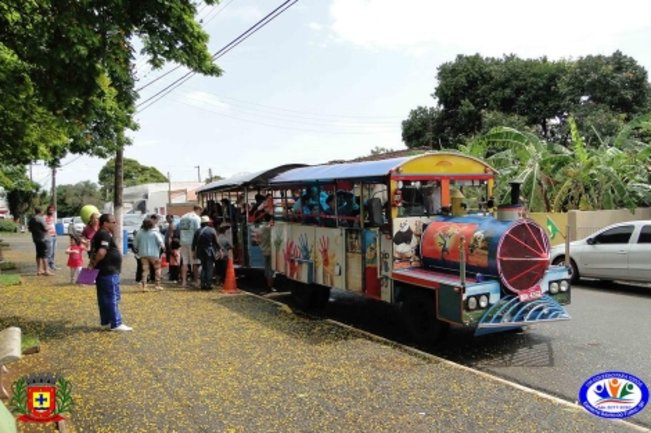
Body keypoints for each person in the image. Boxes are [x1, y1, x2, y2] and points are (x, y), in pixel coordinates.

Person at [89, 213, 132, 332]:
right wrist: (94, 263)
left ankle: (106, 322)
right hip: (108, 270)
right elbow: (101, 252)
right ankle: (116, 323)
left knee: (104, 297)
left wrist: (93, 264)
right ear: (105, 223)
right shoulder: (103, 234)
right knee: (112, 296)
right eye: (113, 222)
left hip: (103, 271)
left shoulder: (100, 234)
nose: (115, 224)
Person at [134, 217, 165, 292]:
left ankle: (144, 286)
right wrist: (163, 250)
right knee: (157, 269)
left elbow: (135, 244)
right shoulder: (155, 233)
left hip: (143, 254)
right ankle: (157, 285)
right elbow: (161, 243)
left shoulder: (139, 233)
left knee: (145, 270)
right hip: (154, 254)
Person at [192, 216, 220, 290]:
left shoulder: (197, 231)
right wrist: (220, 250)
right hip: (209, 251)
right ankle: (208, 284)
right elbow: (216, 242)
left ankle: (202, 284)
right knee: (209, 267)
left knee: (203, 267)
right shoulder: (212, 230)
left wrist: (194, 252)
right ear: (208, 222)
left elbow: (194, 243)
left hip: (200, 251)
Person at [178, 205, 202, 288]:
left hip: (183, 241)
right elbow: (198, 231)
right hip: (192, 242)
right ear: (198, 209)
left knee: (184, 262)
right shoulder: (196, 218)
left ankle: (184, 282)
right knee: (195, 262)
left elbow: (179, 229)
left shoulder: (183, 217)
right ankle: (196, 281)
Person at [27, 207, 52, 276]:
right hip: (44, 239)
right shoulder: (41, 218)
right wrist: (49, 226)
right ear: (40, 211)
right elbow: (46, 228)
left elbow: (29, 229)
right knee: (45, 255)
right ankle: (46, 270)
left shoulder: (31, 220)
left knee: (38, 254)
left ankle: (39, 270)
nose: (43, 212)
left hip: (36, 239)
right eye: (43, 211)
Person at [254, 214, 274, 292]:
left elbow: (257, 240)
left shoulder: (260, 229)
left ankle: (268, 285)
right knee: (271, 269)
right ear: (270, 219)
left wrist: (261, 244)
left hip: (264, 250)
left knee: (267, 268)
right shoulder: (271, 228)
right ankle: (270, 286)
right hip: (271, 250)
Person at [44, 204, 58, 271]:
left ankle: (52, 264)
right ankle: (47, 267)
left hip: (54, 236)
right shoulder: (45, 217)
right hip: (49, 236)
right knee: (49, 252)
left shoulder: (53, 217)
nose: (51, 211)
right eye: (50, 210)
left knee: (53, 252)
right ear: (48, 210)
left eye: (53, 210)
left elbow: (53, 225)